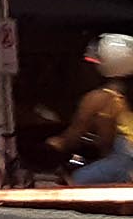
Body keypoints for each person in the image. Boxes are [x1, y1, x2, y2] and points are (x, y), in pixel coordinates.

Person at [48, 32, 133, 187]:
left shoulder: (98, 98)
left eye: (92, 63)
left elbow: (73, 135)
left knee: (75, 182)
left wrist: (53, 144)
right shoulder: (123, 95)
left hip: (124, 161)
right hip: (124, 159)